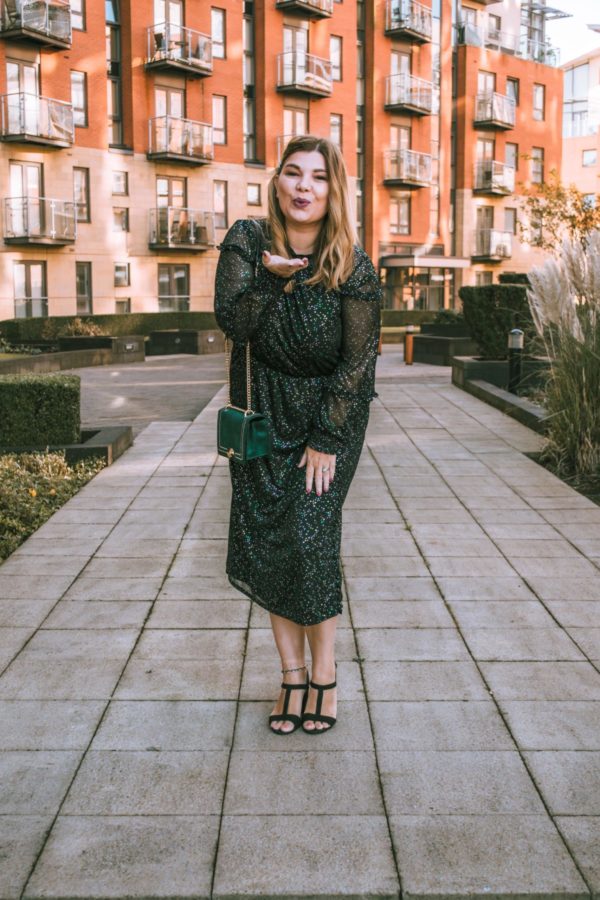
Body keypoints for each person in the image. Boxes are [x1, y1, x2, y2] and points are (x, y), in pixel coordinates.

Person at [214, 135, 381, 735]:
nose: (304, 186)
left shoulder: (353, 265)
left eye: (318, 176)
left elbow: (358, 363)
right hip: (262, 414)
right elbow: (232, 321)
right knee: (268, 543)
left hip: (327, 418)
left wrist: (327, 438)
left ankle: (325, 675)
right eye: (293, 173)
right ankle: (291, 677)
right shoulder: (247, 240)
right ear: (277, 182)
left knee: (310, 540)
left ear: (334, 190)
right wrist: (270, 278)